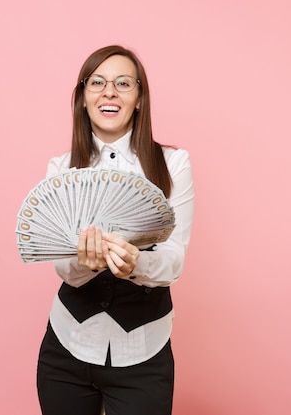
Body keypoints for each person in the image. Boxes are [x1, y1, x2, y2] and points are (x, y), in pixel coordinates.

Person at [36, 45, 194, 415]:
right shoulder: (61, 170)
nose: (110, 91)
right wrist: (86, 264)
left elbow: (174, 260)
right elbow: (63, 267)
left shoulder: (173, 164)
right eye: (98, 82)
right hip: (66, 347)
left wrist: (135, 264)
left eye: (123, 83)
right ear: (83, 97)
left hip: (143, 351)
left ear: (139, 98)